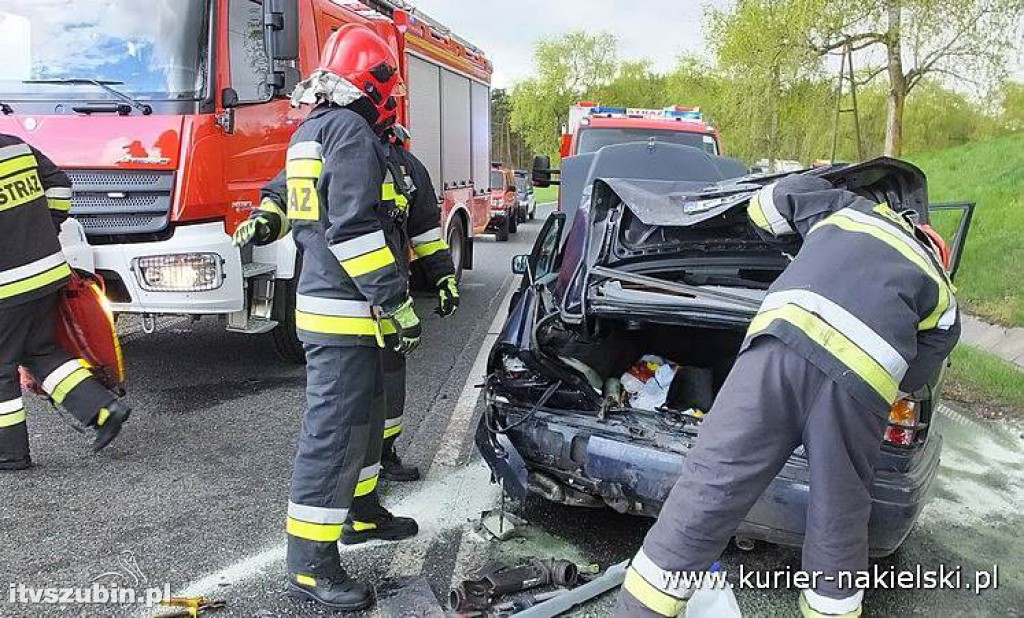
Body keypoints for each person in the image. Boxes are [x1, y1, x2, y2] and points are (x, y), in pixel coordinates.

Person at [614, 174, 960, 618]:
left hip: (776, 353)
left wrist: (793, 247)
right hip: (856, 391)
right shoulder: (943, 296)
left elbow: (768, 203)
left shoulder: (849, 209)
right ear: (937, 251)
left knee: (710, 486)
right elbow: (911, 378)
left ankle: (639, 610)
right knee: (840, 514)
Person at [232, 24, 420, 611]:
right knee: (335, 435)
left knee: (365, 422)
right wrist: (397, 302)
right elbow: (354, 230)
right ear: (375, 85)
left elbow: (289, 193)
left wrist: (269, 214)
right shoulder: (352, 132)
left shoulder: (311, 129)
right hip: (346, 310)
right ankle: (311, 563)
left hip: (334, 307)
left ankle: (360, 512)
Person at [0, 134, 131, 470]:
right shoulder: (14, 146)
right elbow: (59, 184)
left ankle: (10, 454)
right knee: (40, 351)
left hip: (7, 285)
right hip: (47, 272)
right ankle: (102, 411)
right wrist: (48, 226)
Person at [377, 123, 460, 482]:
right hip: (356, 301)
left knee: (390, 382)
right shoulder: (343, 157)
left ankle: (382, 455)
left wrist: (443, 277)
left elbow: (424, 230)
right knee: (353, 393)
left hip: (387, 300)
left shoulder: (406, 167)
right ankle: (358, 473)